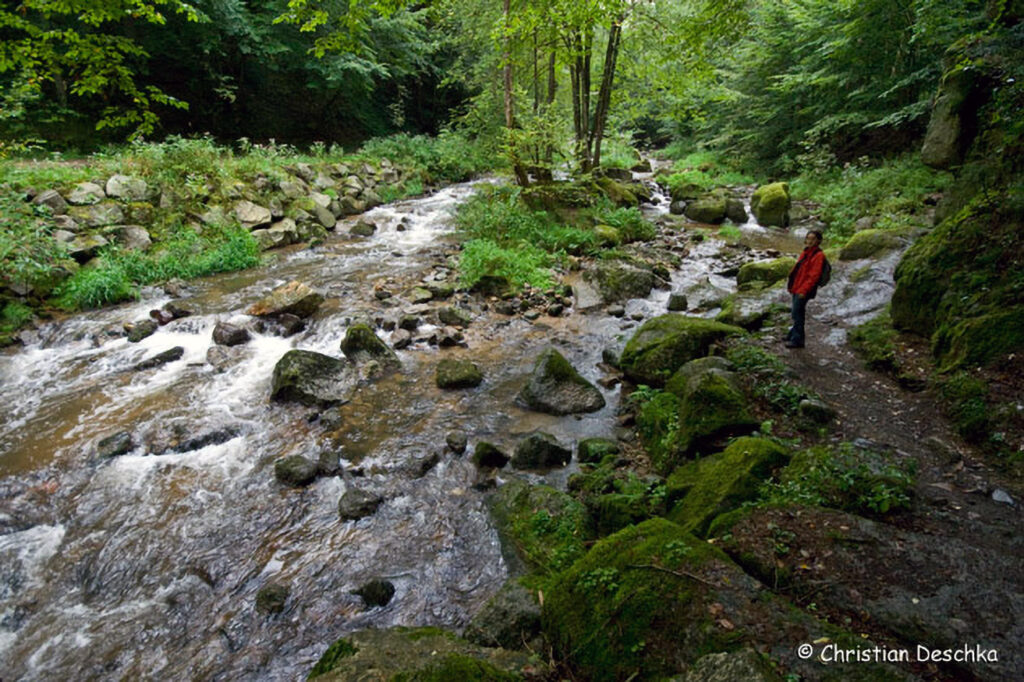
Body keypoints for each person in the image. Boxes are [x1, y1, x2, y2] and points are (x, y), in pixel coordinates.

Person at [785, 229, 825, 348]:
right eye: (808, 238)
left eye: (813, 239)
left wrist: (804, 290)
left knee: (797, 313)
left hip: (803, 289)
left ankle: (798, 340)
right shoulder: (806, 251)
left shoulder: (818, 255)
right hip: (797, 286)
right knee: (796, 312)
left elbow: (814, 276)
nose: (810, 241)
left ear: (818, 241)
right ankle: (792, 334)